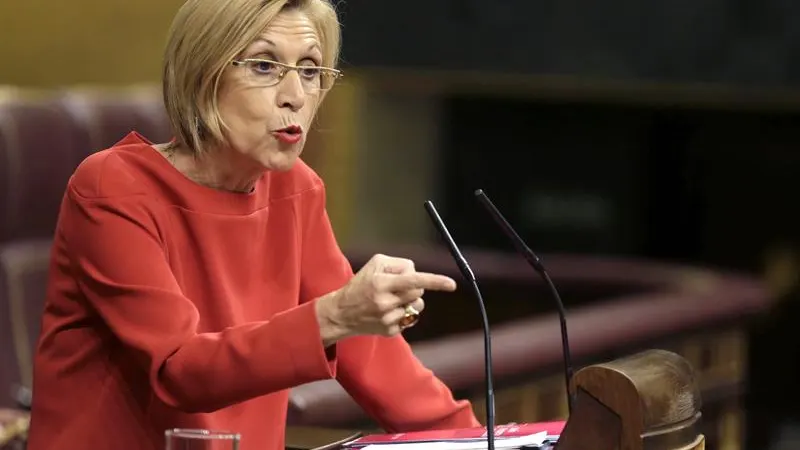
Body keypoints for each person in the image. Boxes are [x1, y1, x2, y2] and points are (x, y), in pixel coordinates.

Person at [26, 0, 480, 449]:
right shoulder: (114, 187)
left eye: (309, 70)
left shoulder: (296, 189)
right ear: (203, 75)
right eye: (264, 66)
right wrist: (336, 314)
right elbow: (179, 370)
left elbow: (374, 359)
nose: (295, 96)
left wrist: (479, 440)